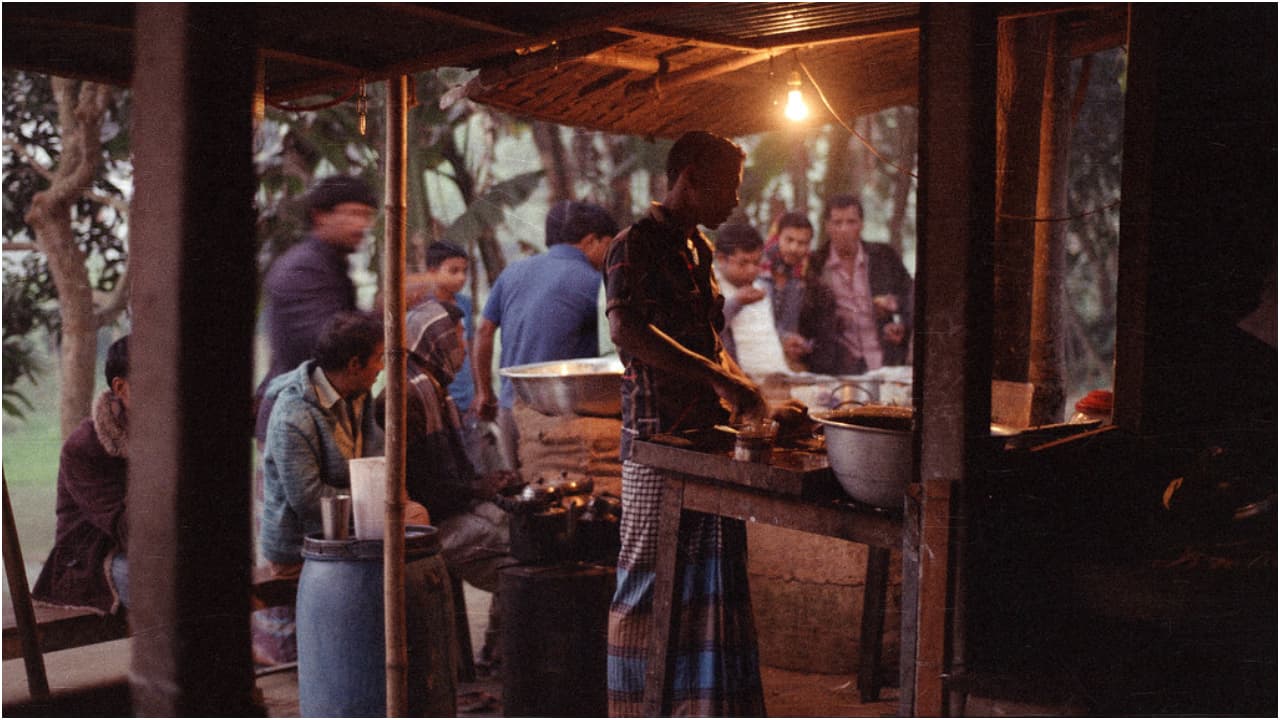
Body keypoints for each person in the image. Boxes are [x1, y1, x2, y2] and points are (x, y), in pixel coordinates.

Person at [603, 131, 802, 717]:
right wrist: (721, 381)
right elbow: (628, 333)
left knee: (710, 592)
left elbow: (710, 343)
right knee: (643, 589)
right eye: (729, 187)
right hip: (654, 439)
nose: (736, 201)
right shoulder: (631, 244)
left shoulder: (697, 250)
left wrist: (750, 396)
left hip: (705, 439)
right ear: (689, 177)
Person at [383, 299, 516, 671]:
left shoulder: (432, 387)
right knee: (519, 563)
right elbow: (420, 491)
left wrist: (485, 483)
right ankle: (505, 657)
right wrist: (477, 489)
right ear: (437, 339)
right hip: (427, 525)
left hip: (450, 506)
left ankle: (496, 653)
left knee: (521, 528)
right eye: (459, 336)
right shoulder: (408, 394)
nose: (463, 345)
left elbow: (448, 475)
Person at [259, 311, 429, 576]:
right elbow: (309, 500)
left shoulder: (357, 393)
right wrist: (379, 502)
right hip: (302, 544)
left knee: (415, 519)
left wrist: (392, 490)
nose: (383, 367)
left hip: (346, 528)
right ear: (353, 364)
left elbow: (376, 457)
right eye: (378, 358)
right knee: (409, 527)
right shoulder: (292, 415)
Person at [472, 200, 619, 470]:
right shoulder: (594, 282)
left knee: (524, 494)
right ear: (590, 241)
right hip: (559, 419)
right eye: (609, 245)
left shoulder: (512, 272)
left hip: (510, 407)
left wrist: (484, 392)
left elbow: (483, 332)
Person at [256, 175, 378, 441]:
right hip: (293, 425)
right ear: (320, 216)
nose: (361, 225)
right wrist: (385, 309)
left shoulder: (330, 265)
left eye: (366, 216)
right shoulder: (303, 268)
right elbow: (329, 343)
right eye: (353, 214)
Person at [32, 336, 132, 614]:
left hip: (152, 550)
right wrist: (154, 460)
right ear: (121, 388)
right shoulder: (84, 447)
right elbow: (130, 532)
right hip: (91, 559)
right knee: (172, 587)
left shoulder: (168, 429)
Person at [796, 194, 914, 375]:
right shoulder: (815, 265)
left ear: (861, 224)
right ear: (827, 226)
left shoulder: (884, 256)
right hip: (839, 368)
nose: (844, 229)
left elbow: (912, 295)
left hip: (888, 361)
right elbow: (805, 320)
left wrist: (900, 319)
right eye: (837, 222)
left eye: (851, 222)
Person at [418, 241, 507, 475]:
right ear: (432, 272)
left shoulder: (464, 304)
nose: (461, 278)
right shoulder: (421, 306)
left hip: (465, 389)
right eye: (453, 271)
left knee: (471, 450)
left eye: (464, 271)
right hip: (438, 390)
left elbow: (470, 344)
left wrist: (480, 391)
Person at [712, 222, 790, 376]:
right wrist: (736, 303)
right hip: (739, 380)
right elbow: (710, 325)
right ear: (721, 259)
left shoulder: (763, 287)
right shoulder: (711, 287)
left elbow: (766, 330)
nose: (752, 270)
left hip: (777, 376)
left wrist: (785, 338)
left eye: (756, 263)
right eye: (743, 263)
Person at [760, 211, 815, 369]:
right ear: (778, 238)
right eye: (789, 240)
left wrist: (796, 342)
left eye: (802, 243)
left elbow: (790, 326)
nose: (794, 248)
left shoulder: (800, 278)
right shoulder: (756, 270)